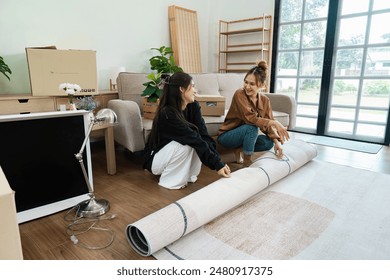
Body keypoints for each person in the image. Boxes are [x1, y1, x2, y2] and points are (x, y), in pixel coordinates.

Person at [143, 72, 231, 189]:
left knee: (198, 139)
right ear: (182, 89)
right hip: (155, 159)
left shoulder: (193, 106)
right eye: (192, 86)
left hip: (171, 152)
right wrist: (217, 165)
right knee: (187, 144)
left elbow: (204, 136)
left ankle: (187, 176)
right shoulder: (167, 113)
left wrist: (218, 162)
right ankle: (169, 181)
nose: (195, 90)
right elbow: (192, 138)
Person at [217, 61, 289, 167]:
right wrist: (275, 123)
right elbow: (250, 119)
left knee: (268, 142)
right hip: (228, 136)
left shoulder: (265, 100)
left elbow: (267, 127)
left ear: (262, 86)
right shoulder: (239, 94)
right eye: (246, 82)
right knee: (252, 128)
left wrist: (277, 143)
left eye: (252, 84)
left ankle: (239, 150)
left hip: (245, 136)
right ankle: (247, 163)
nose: (247, 86)